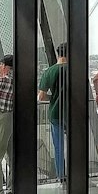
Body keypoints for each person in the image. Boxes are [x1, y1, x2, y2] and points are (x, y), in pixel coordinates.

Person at [38, 43, 69, 181]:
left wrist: (54, 97)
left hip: (55, 112)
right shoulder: (75, 70)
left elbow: (41, 96)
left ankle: (61, 176)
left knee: (58, 146)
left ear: (58, 54)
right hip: (73, 112)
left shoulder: (49, 72)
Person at [0, 54, 15, 194]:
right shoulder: (14, 80)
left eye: (1, 65)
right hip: (10, 118)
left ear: (6, 67)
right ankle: (12, 186)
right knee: (11, 155)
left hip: (1, 117)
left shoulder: (4, 80)